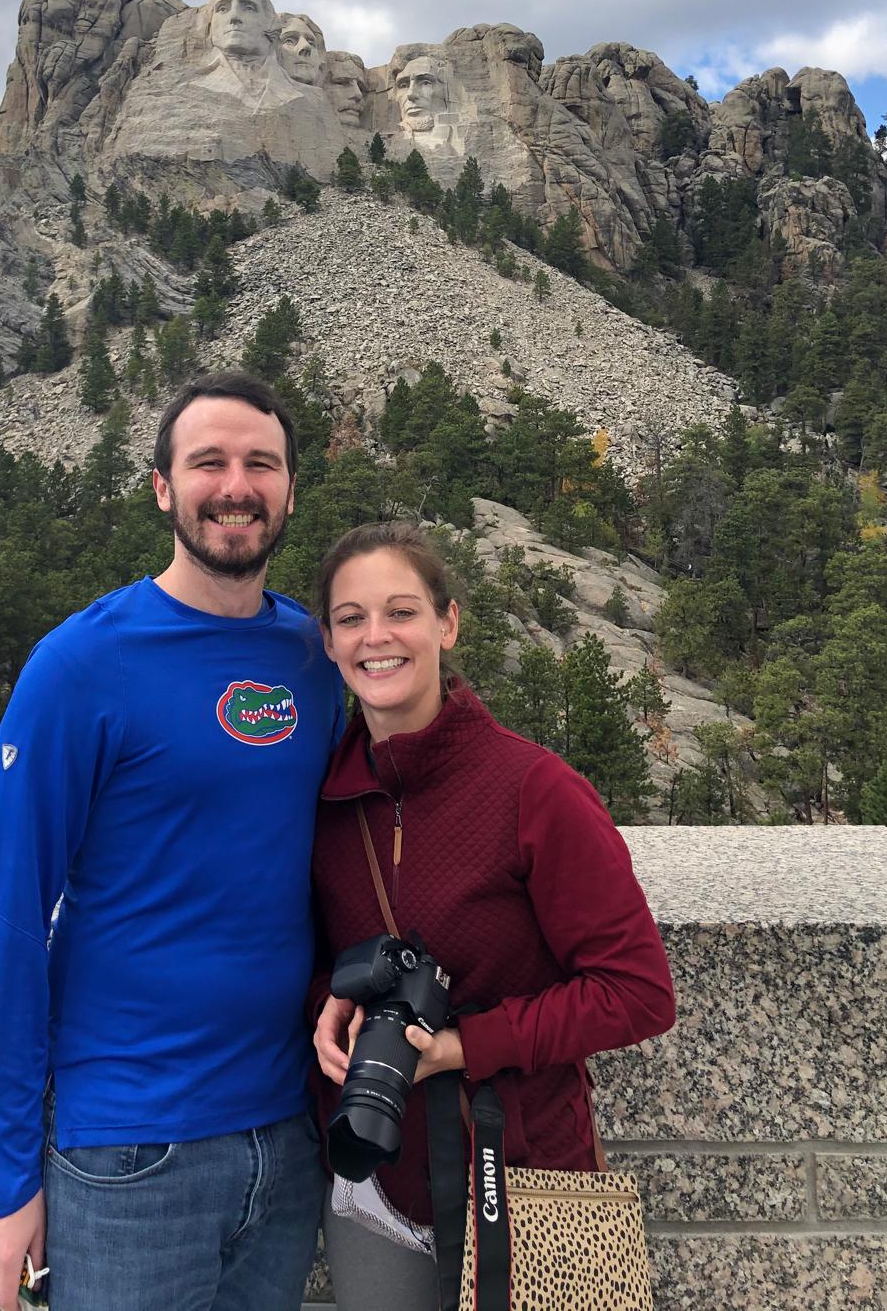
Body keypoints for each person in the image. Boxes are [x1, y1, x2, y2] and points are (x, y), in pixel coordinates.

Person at [0, 371, 343, 1311]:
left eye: (262, 463)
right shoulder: (83, 665)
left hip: (291, 1137)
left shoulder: (317, 655)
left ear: (290, 488)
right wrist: (0, 1181)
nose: (236, 485)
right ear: (164, 487)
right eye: (208, 461)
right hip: (131, 1149)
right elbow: (8, 919)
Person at [309, 523, 675, 1310]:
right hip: (371, 1179)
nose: (377, 637)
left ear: (447, 623)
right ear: (330, 643)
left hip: (523, 1176)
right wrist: (327, 1005)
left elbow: (638, 991)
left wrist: (465, 1046)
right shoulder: (321, 802)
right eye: (351, 619)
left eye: (401, 612)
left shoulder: (535, 790)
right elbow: (298, 958)